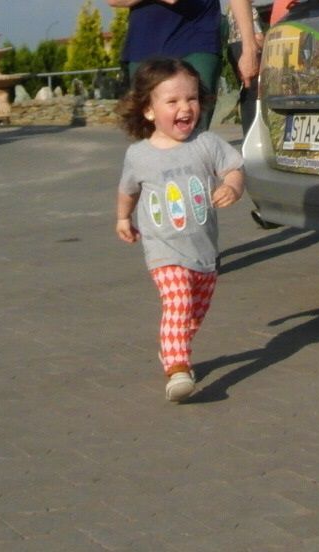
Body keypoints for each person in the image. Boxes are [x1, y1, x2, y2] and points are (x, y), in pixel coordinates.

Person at [114, 58, 245, 402]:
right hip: (164, 251)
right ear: (148, 110)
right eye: (172, 101)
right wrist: (123, 218)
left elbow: (234, 169)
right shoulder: (139, 155)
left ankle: (173, 348)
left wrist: (232, 186)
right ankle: (177, 370)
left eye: (192, 98)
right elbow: (128, 190)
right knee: (178, 302)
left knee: (192, 315)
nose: (185, 108)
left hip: (204, 254)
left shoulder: (206, 144)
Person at [107, 0, 259, 129]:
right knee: (149, 130)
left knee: (194, 125)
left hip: (198, 37)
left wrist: (249, 48)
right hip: (145, 43)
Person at [226, 1, 265, 135]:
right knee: (253, 91)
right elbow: (258, 36)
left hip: (234, 45)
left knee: (246, 92)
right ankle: (253, 134)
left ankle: (248, 134)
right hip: (246, 46)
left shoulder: (231, 10)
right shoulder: (248, 10)